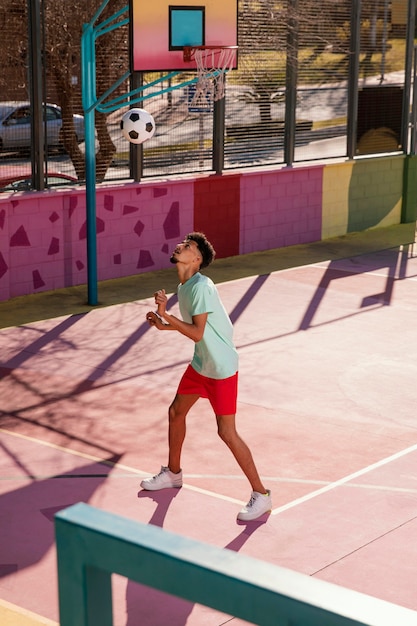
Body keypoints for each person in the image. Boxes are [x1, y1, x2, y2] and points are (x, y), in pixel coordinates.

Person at [141, 232, 271, 521]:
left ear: (196, 259)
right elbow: (196, 329)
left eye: (187, 246)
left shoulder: (201, 287)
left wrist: (167, 315)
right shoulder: (185, 286)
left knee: (226, 432)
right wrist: (163, 324)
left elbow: (197, 332)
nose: (180, 246)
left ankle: (261, 495)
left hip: (221, 368)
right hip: (202, 363)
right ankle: (173, 473)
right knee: (176, 412)